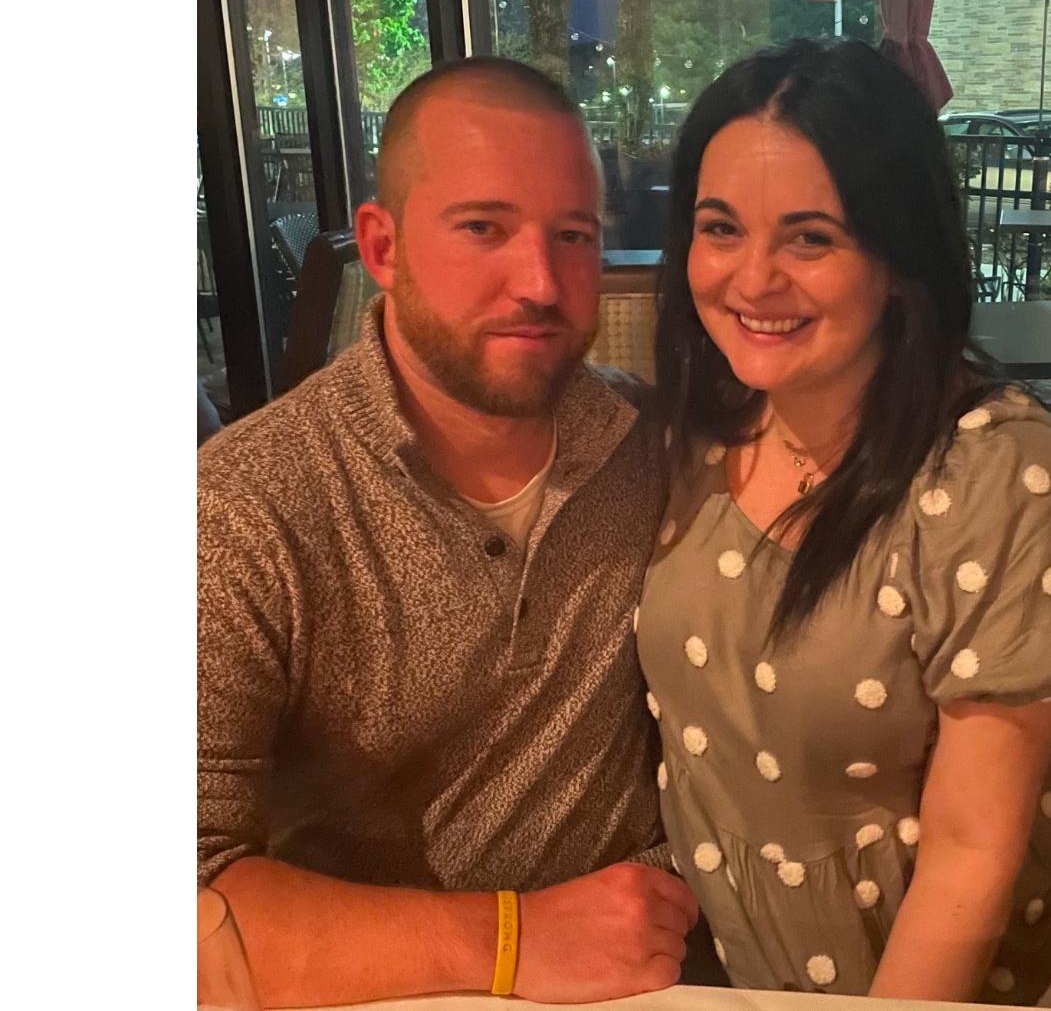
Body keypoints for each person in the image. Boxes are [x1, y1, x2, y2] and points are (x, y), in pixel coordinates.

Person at [198, 57, 699, 1008]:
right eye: (483, 228)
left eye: (573, 235)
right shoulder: (242, 510)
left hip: (662, 976)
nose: (541, 282)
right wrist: (511, 941)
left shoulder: (650, 447)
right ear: (383, 248)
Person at [636, 39, 1051, 1005]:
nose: (753, 279)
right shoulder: (689, 432)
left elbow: (972, 853)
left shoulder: (993, 470)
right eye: (721, 229)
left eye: (810, 239)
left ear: (897, 257)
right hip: (750, 977)